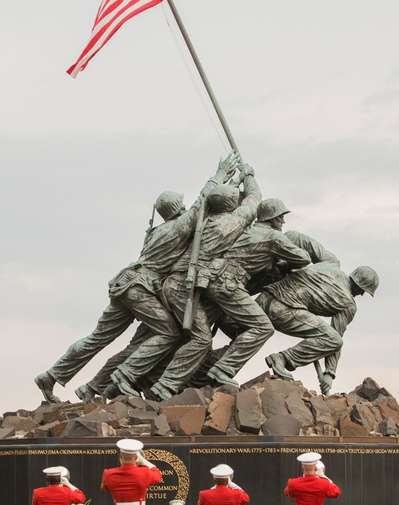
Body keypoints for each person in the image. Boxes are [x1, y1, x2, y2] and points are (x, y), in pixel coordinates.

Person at [35, 155, 238, 403]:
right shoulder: (178, 227)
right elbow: (203, 202)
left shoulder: (156, 231)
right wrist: (220, 174)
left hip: (125, 283)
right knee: (170, 333)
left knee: (97, 338)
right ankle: (124, 376)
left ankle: (52, 375)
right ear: (179, 208)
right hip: (140, 288)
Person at [151, 161, 266, 399]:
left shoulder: (202, 218)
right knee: (203, 338)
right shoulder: (232, 222)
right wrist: (249, 176)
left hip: (179, 283)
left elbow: (207, 198)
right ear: (232, 204)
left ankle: (167, 382)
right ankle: (165, 385)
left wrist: (231, 179)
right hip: (184, 285)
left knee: (199, 337)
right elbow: (254, 199)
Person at [260, 261, 379, 394]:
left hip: (264, 298)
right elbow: (335, 337)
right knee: (334, 340)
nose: (362, 294)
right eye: (363, 290)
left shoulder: (330, 266)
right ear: (359, 285)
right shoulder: (348, 304)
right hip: (283, 310)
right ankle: (282, 358)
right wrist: (330, 373)